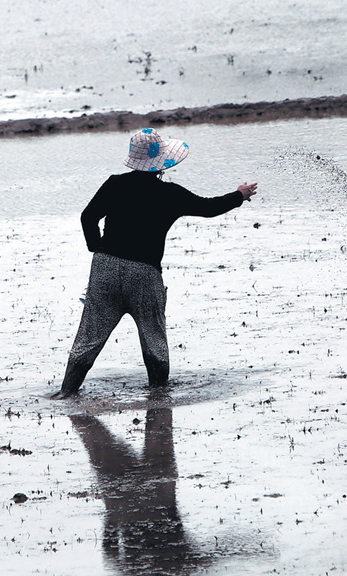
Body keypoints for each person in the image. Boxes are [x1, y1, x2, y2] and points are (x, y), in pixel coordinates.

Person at [54, 128, 257, 398]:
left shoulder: (114, 183)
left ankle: (66, 393)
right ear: (161, 162)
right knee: (154, 339)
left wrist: (98, 249)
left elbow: (87, 218)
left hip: (104, 268)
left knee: (88, 338)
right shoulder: (170, 194)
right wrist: (239, 195)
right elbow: (208, 208)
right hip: (144, 273)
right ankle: (158, 400)